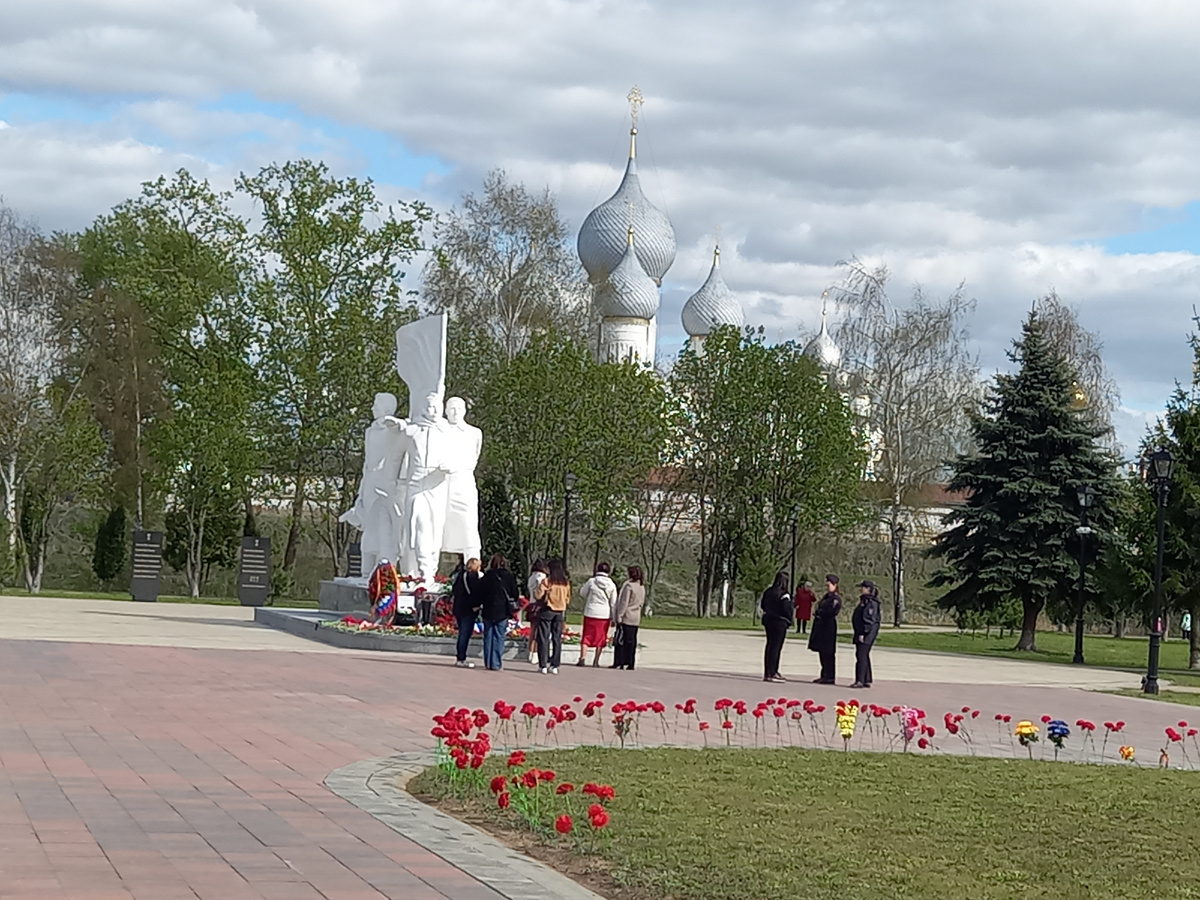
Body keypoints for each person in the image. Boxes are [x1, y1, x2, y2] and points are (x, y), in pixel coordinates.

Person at [478, 554, 520, 671]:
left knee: (488, 636)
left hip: (488, 609)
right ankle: (496, 663)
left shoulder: (487, 576)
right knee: (499, 637)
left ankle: (488, 662)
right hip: (503, 610)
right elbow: (515, 593)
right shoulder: (508, 576)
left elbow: (480, 592)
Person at [578, 562, 618, 667]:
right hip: (604, 614)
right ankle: (596, 661)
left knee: (587, 635)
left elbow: (582, 593)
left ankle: (582, 658)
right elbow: (613, 603)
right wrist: (614, 618)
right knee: (601, 638)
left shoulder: (591, 581)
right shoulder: (611, 585)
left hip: (590, 611)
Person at [537, 558, 571, 674]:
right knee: (557, 638)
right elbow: (568, 599)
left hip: (548, 609)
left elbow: (538, 595)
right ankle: (555, 664)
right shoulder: (565, 583)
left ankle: (543, 664)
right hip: (560, 611)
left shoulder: (547, 581)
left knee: (543, 637)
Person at [760, 571, 794, 683]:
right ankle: (773, 671)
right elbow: (786, 609)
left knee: (770, 646)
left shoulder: (768, 592)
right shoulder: (784, 595)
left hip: (769, 620)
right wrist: (790, 619)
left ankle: (767, 672)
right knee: (776, 647)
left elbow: (763, 605)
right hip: (780, 622)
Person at [808, 574, 842, 684]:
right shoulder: (826, 597)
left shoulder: (835, 598)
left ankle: (830, 676)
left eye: (829, 585)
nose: (828, 587)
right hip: (821, 625)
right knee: (822, 651)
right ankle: (824, 674)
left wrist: (820, 612)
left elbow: (832, 611)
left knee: (828, 652)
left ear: (835, 585)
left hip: (828, 626)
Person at [611, 566, 646, 670]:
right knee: (632, 641)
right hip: (635, 617)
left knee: (621, 640)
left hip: (627, 616)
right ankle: (630, 662)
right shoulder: (641, 586)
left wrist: (619, 615)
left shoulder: (629, 586)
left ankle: (619, 662)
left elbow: (624, 602)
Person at [451, 557, 482, 668]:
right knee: (465, 634)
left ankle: (460, 657)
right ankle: (461, 658)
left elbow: (454, 591)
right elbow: (476, 593)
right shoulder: (473, 577)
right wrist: (477, 605)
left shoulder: (459, 575)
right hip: (468, 609)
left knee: (462, 633)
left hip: (458, 608)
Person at [850, 579, 881, 689]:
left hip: (867, 633)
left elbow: (868, 620)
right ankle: (866, 678)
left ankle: (860, 680)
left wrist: (863, 633)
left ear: (868, 589)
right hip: (864, 632)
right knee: (864, 655)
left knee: (861, 655)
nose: (861, 589)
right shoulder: (865, 601)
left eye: (863, 587)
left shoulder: (870, 603)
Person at [525, 559, 550, 665]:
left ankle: (530, 652)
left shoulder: (531, 577)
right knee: (538, 631)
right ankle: (535, 653)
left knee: (532, 630)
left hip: (531, 604)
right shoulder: (541, 576)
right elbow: (541, 589)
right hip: (539, 605)